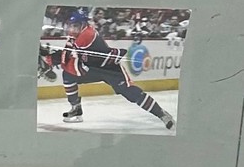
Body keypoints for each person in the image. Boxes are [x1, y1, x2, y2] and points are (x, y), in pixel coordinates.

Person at [44, 13, 174, 127]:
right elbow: (67, 55)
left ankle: (161, 114)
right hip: (94, 68)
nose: (72, 29)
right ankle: (76, 109)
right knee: (68, 75)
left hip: (110, 69)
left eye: (75, 26)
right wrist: (49, 58)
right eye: (70, 26)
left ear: (83, 25)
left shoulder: (87, 35)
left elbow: (70, 61)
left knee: (132, 94)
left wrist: (49, 60)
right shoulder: (75, 36)